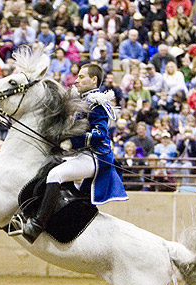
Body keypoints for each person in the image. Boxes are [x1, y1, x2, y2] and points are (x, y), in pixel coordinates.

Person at [21, 63, 128, 244]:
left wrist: (72, 141)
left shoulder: (97, 103)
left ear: (93, 80)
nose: (76, 80)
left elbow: (100, 133)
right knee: (48, 165)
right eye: (77, 76)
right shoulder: (81, 101)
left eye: (81, 77)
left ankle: (37, 226)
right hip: (80, 154)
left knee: (57, 174)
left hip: (95, 156)